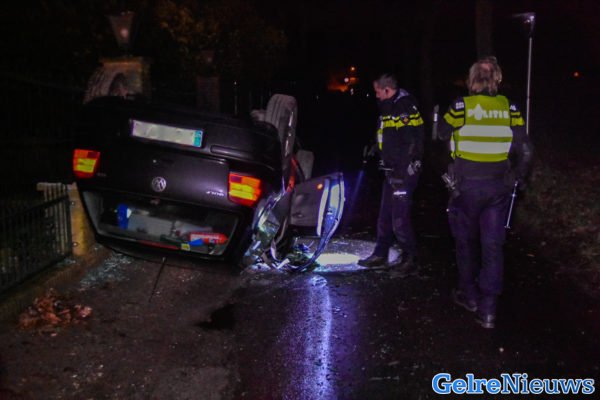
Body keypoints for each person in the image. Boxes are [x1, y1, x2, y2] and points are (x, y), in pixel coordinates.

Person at [438, 57, 533, 329]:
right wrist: (518, 177)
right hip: (498, 188)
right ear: (497, 79)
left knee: (465, 242)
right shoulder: (510, 108)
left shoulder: (461, 106)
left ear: (472, 79)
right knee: (492, 245)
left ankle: (469, 296)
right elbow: (526, 149)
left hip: (466, 188)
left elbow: (442, 133)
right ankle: (489, 309)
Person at [358, 73, 425, 277]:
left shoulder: (403, 107)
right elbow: (388, 136)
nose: (376, 95)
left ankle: (410, 259)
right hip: (391, 170)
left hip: (403, 172)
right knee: (385, 215)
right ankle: (381, 254)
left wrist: (403, 171)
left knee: (400, 219)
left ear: (387, 90)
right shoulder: (389, 106)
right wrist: (376, 149)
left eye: (378, 91)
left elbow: (412, 142)